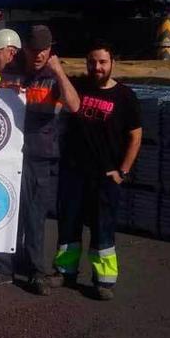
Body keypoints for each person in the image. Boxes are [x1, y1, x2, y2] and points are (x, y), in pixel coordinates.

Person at [49, 40, 142, 300]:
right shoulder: (78, 86)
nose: (97, 67)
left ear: (112, 63)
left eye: (102, 62)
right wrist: (58, 71)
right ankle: (65, 270)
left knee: (103, 229)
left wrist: (122, 171)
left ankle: (104, 281)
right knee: (68, 225)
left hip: (106, 175)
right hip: (74, 171)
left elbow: (135, 137)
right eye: (92, 62)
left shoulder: (125, 97)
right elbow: (73, 106)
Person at [0, 24, 81, 296]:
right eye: (34, 49)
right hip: (9, 154)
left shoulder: (53, 75)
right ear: (25, 49)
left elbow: (74, 106)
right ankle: (4, 267)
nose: (39, 55)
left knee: (35, 216)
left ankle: (36, 271)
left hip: (41, 155)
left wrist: (59, 71)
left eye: (44, 50)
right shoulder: (11, 71)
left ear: (50, 50)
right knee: (9, 211)